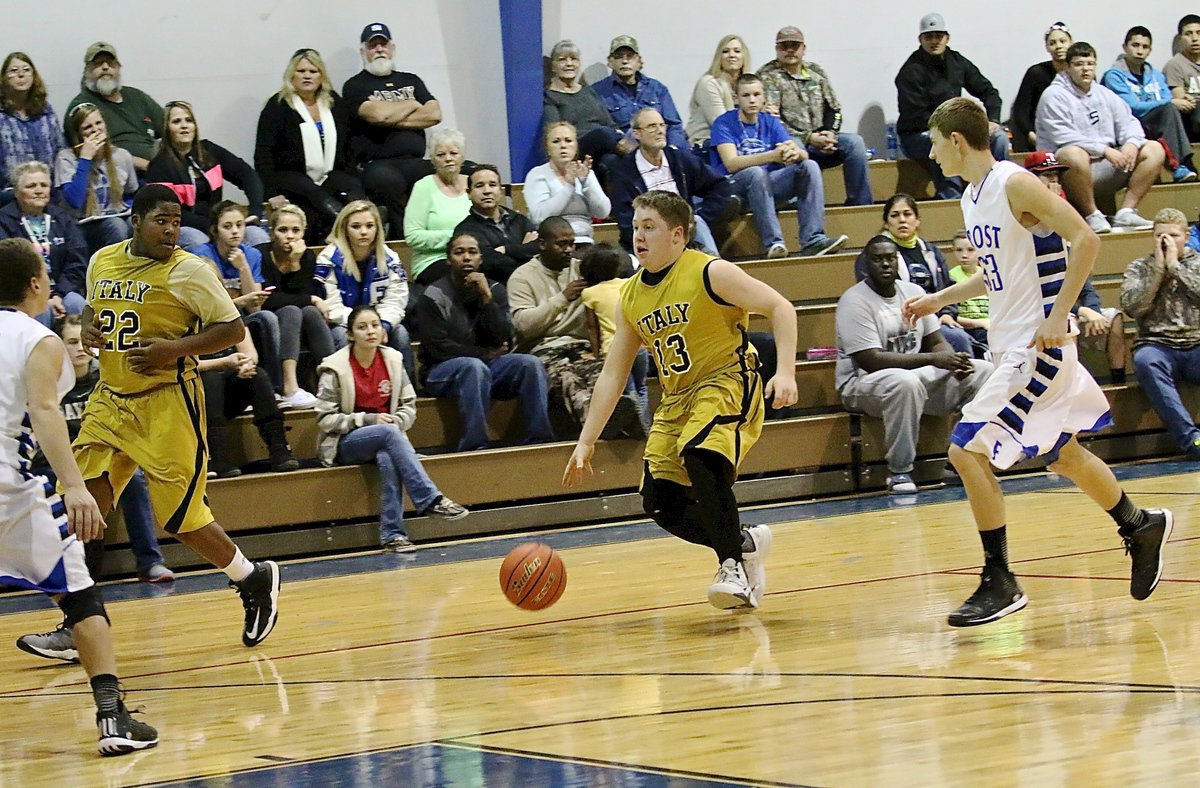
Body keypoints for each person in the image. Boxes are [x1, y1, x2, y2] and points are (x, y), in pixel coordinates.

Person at [903, 97, 1171, 627]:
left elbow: (1085, 238)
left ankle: (999, 579)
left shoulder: (1014, 182)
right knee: (1065, 455)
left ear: (956, 141)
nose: (932, 155)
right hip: (1009, 344)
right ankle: (1140, 524)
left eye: (935, 144)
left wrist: (1060, 314)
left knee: (966, 451)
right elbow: (1004, 272)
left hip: (1037, 349)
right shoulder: (972, 198)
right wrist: (941, 299)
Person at [562, 190, 799, 610]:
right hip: (677, 399)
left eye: (649, 227)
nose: (638, 235)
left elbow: (781, 307)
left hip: (727, 379)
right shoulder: (632, 296)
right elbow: (614, 373)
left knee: (700, 453)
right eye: (635, 227)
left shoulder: (711, 272)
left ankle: (732, 568)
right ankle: (743, 542)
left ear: (677, 234)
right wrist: (586, 440)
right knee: (661, 503)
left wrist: (784, 372)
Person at [74, 184, 281, 647]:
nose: (170, 230)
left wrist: (175, 349)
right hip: (112, 399)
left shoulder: (189, 271)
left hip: (168, 402)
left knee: (182, 520)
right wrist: (88, 323)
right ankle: (80, 624)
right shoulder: (103, 259)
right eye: (160, 220)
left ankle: (251, 578)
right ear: (136, 221)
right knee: (84, 507)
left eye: (175, 221)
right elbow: (94, 306)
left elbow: (232, 328)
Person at [0, 237, 158, 755]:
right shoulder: (38, 339)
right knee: (81, 595)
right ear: (35, 284)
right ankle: (112, 718)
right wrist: (74, 486)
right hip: (10, 487)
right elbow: (44, 411)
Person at [838, 234, 991, 493]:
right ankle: (899, 472)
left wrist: (952, 359)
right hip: (861, 384)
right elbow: (871, 360)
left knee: (983, 371)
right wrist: (935, 359)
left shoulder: (913, 292)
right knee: (904, 382)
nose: (885, 264)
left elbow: (936, 340)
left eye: (890, 258)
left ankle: (960, 459)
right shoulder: (854, 301)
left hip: (910, 378)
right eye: (878, 260)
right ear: (865, 264)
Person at [315, 304, 467, 552]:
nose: (370, 331)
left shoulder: (393, 360)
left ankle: (393, 535)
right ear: (351, 334)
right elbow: (325, 418)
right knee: (387, 434)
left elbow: (409, 406)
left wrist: (396, 422)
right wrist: (368, 420)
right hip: (344, 442)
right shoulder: (335, 367)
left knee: (387, 456)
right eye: (362, 327)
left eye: (375, 325)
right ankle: (430, 499)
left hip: (388, 438)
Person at [414, 232, 554, 452]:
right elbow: (437, 347)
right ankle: (475, 443)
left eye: (472, 252)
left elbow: (504, 338)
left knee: (530, 364)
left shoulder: (494, 290)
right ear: (449, 259)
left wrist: (487, 299)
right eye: (459, 252)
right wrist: (484, 354)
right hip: (439, 372)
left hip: (485, 366)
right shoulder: (432, 296)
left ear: (481, 259)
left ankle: (540, 437)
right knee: (474, 367)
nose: (466, 257)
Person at [509, 216, 643, 437]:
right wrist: (562, 298)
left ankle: (628, 420)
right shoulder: (522, 277)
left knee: (604, 372)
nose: (568, 250)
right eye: (561, 244)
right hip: (545, 350)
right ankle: (601, 421)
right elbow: (523, 326)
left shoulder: (584, 269)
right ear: (542, 244)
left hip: (582, 347)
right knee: (567, 377)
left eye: (571, 243)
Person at [710, 74, 847, 259]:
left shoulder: (771, 121)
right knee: (756, 173)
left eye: (757, 94)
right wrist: (773, 156)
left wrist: (796, 154)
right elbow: (731, 163)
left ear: (764, 97)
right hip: (736, 189)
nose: (752, 100)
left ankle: (813, 240)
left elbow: (800, 152)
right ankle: (774, 243)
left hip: (768, 187)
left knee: (809, 165)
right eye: (746, 95)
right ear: (736, 98)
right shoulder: (724, 122)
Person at [1035, 42, 1166, 233]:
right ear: (1068, 67)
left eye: (1090, 63)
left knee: (1154, 149)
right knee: (1072, 153)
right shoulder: (1053, 95)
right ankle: (1092, 215)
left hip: (1107, 164)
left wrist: (1131, 143)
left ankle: (1126, 212)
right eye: (1079, 64)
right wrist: (1105, 150)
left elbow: (1129, 123)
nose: (1086, 69)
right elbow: (1063, 136)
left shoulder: (1105, 94)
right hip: (1068, 171)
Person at [1025, 151, 1127, 383]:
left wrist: (1092, 309)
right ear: (1029, 179)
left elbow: (1081, 277)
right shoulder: (1024, 222)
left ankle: (1117, 383)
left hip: (1069, 306)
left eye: (1056, 177)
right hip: (1041, 310)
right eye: (1047, 176)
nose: (1054, 182)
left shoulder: (1065, 218)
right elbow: (1038, 280)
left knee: (1113, 317)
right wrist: (1081, 310)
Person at [895, 13, 1010, 199]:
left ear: (947, 38)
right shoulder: (910, 71)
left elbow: (989, 92)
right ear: (920, 39)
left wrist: (993, 120)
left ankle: (1001, 189)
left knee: (999, 138)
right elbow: (916, 116)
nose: (934, 41)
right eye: (928, 37)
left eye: (938, 36)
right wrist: (954, 128)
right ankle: (951, 196)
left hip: (955, 129)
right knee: (944, 140)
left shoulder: (957, 61)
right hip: (917, 135)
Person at [254, 48, 365, 240]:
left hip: (330, 172)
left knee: (353, 186)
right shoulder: (278, 105)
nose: (307, 76)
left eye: (313, 72)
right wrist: (270, 192)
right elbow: (263, 152)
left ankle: (366, 223)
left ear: (321, 76)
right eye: (301, 71)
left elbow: (348, 145)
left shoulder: (333, 102)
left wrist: (350, 174)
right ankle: (346, 226)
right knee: (312, 192)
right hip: (290, 174)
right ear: (291, 75)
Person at [758, 26, 873, 206]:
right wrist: (809, 138)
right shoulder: (766, 77)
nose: (789, 50)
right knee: (792, 147)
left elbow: (834, 110)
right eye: (784, 46)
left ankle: (861, 204)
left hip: (821, 137)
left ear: (804, 48)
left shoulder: (816, 72)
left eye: (794, 45)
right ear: (776, 49)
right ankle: (795, 203)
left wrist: (830, 134)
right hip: (791, 139)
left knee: (855, 143)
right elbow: (771, 121)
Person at [342, 22, 440, 229]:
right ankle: (401, 239)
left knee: (448, 172)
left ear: (392, 48)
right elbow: (377, 115)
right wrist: (412, 104)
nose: (379, 50)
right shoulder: (354, 85)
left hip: (415, 160)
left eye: (383, 44)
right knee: (388, 183)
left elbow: (434, 114)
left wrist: (392, 116)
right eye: (372, 46)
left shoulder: (411, 80)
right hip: (378, 164)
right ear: (363, 51)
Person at [853, 193, 976, 356]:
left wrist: (947, 313)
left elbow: (946, 286)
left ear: (917, 220)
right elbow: (872, 295)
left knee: (978, 334)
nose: (902, 220)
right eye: (895, 215)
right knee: (957, 339)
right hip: (899, 323)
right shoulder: (874, 254)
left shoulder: (931, 251)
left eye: (907, 214)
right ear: (887, 223)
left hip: (936, 319)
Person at [1121, 208, 1200, 459]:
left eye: (1173, 235)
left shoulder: (1197, 263)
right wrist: (1158, 270)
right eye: (1159, 236)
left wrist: (1175, 267)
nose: (1166, 241)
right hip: (1157, 344)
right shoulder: (1139, 267)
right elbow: (1133, 307)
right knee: (1145, 361)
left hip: (1197, 343)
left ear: (1186, 237)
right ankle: (1192, 440)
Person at [145, 100, 271, 252]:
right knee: (199, 242)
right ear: (166, 129)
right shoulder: (159, 166)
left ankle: (257, 276)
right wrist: (215, 226)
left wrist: (255, 211)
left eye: (189, 120)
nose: (184, 126)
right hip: (184, 228)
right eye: (176, 122)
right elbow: (170, 213)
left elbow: (248, 175)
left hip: (219, 225)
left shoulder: (209, 150)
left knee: (257, 236)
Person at [609, 107, 734, 255]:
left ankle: (713, 271)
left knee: (698, 223)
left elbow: (720, 185)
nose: (660, 131)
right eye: (652, 126)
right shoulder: (623, 171)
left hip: (685, 233)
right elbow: (626, 224)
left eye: (662, 125)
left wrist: (701, 216)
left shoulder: (679, 158)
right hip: (650, 239)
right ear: (637, 133)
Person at [314, 200, 414, 380]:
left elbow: (396, 299)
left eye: (369, 226)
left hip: (379, 322)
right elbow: (330, 305)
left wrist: (380, 325)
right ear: (344, 228)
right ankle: (347, 392)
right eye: (356, 226)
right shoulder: (328, 259)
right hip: (343, 324)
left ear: (378, 228)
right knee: (341, 336)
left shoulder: (390, 257)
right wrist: (360, 327)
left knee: (400, 333)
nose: (363, 232)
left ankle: (406, 393)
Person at [195, 201, 284, 398]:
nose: (235, 231)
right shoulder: (202, 255)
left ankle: (275, 388)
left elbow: (256, 308)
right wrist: (242, 301)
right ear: (215, 230)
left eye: (240, 225)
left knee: (267, 317)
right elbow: (209, 307)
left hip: (241, 314)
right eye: (227, 226)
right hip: (211, 318)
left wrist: (243, 267)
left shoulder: (251, 254)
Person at [256, 204, 335, 406]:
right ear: (272, 233)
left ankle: (334, 381)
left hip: (298, 323)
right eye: (283, 230)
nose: (290, 236)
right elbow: (268, 299)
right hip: (266, 321)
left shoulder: (307, 256)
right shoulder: (260, 255)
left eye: (295, 231)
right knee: (293, 310)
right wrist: (312, 299)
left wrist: (295, 264)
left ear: (303, 233)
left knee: (309, 311)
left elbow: (303, 294)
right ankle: (289, 386)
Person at [198, 330, 300, 478]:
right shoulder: (183, 318)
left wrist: (245, 364)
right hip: (193, 392)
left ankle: (280, 449)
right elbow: (185, 365)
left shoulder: (227, 313)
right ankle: (217, 457)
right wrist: (226, 363)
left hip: (227, 387)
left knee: (257, 375)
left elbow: (250, 353)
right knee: (210, 379)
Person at [1101, 27, 1197, 182]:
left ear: (1150, 50)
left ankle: (1183, 165)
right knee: (1169, 108)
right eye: (1135, 45)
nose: (1140, 51)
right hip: (1128, 127)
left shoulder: (1155, 74)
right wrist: (1171, 102)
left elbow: (1166, 97)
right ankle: (1180, 166)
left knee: (1170, 110)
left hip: (1154, 125)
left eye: (1145, 47)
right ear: (1125, 47)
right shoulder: (1113, 76)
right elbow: (1132, 107)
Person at [0, 161, 87, 327]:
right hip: (23, 293)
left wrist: (58, 295)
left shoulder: (62, 218)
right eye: (31, 186)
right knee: (41, 311)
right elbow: (9, 267)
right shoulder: (3, 221)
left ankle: (83, 352)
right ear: (17, 192)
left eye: (44, 185)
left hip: (62, 291)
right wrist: (42, 296)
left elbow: (77, 261)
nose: (39, 190)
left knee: (77, 303)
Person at [580, 242, 650, 422]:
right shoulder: (630, 284)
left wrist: (596, 354)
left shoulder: (589, 293)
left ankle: (640, 425)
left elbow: (592, 327)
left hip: (615, 349)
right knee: (642, 388)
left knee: (628, 390)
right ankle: (647, 425)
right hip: (639, 347)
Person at [66, 42, 162, 171]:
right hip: (117, 173)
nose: (105, 67)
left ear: (118, 68)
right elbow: (93, 149)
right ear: (87, 71)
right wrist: (145, 165)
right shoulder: (82, 105)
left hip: (156, 167)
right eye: (98, 63)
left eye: (110, 63)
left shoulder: (136, 96)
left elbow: (167, 127)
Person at [55, 103, 138, 253]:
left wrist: (128, 208)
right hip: (84, 224)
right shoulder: (66, 158)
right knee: (116, 226)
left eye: (99, 123)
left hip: (118, 215)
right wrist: (85, 158)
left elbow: (131, 194)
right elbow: (75, 200)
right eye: (88, 127)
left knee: (139, 225)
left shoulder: (121, 155)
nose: (96, 129)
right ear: (78, 134)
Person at [543, 39, 636, 163]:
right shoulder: (550, 96)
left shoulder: (588, 91)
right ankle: (637, 156)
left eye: (573, 59)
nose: (569, 63)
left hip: (604, 145)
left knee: (610, 161)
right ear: (554, 66)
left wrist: (619, 135)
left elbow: (609, 123)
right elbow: (555, 131)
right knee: (601, 134)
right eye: (562, 59)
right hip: (577, 145)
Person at [592, 35, 688, 150]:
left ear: (639, 61)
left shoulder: (657, 88)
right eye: (618, 57)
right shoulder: (598, 91)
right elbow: (599, 129)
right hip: (623, 151)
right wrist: (619, 145)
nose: (625, 61)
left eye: (630, 56)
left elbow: (674, 124)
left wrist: (673, 148)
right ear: (610, 62)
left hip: (660, 147)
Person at [524, 121, 612, 246]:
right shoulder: (538, 174)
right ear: (547, 148)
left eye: (568, 140)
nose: (563, 146)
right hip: (553, 243)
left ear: (576, 147)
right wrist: (569, 185)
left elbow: (603, 212)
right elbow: (540, 217)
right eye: (556, 141)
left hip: (585, 241)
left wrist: (586, 181)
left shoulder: (584, 172)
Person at [403, 128, 471, 286]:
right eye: (441, 155)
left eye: (453, 153)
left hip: (473, 257)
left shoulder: (473, 183)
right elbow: (413, 236)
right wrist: (457, 238)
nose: (448, 159)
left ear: (462, 157)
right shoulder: (423, 187)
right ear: (433, 160)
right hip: (433, 261)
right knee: (464, 280)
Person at [452, 164, 539, 284]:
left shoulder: (519, 220)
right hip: (497, 289)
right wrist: (525, 251)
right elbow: (492, 264)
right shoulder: (466, 231)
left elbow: (540, 247)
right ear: (469, 193)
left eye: (492, 185)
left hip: (532, 283)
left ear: (500, 190)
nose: (487, 191)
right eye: (479, 186)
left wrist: (507, 249)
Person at [0, 52, 62, 194]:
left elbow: (59, 148)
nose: (21, 75)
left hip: (47, 191)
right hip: (9, 194)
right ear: (4, 78)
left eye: (26, 70)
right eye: (14, 71)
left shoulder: (45, 110)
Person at [1010, 22, 1074, 152]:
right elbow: (1021, 110)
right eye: (1053, 43)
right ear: (1047, 47)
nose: (1058, 46)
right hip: (1040, 136)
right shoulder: (1036, 73)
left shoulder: (1080, 72)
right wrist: (1032, 135)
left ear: (1071, 43)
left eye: (1063, 41)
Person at [685, 35, 751, 151]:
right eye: (725, 51)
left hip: (740, 144)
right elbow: (722, 125)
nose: (731, 55)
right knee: (755, 169)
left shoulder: (747, 85)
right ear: (718, 57)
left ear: (744, 56)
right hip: (707, 146)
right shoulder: (709, 84)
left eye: (737, 51)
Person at [946, 230, 990, 350]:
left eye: (970, 250)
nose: (964, 255)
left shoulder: (987, 275)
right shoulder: (951, 277)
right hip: (967, 329)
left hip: (990, 326)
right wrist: (980, 323)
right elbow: (952, 315)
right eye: (959, 250)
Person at [1163, 14, 1200, 141]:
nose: (1194, 38)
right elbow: (1181, 100)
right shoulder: (1175, 65)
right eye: (1188, 34)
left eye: (1198, 33)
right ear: (1180, 38)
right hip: (1193, 118)